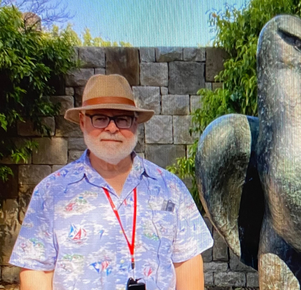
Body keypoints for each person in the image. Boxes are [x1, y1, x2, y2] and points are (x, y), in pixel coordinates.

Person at [9, 74, 214, 290]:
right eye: (100, 118)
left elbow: (187, 262)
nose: (112, 128)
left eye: (122, 119)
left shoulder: (170, 188)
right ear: (82, 122)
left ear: (135, 123)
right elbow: (36, 270)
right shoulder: (51, 192)